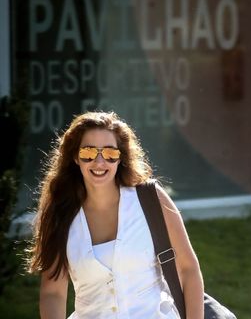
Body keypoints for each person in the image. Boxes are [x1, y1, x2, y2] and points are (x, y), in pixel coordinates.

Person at [27, 111, 205, 318]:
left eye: (110, 153)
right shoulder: (60, 213)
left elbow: (188, 269)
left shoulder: (151, 199)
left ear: (121, 157)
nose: (100, 162)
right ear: (75, 156)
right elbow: (53, 293)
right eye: (89, 152)